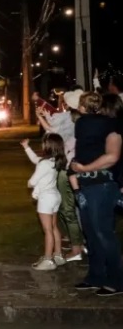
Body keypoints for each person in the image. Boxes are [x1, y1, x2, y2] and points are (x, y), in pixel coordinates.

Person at [69, 92, 123, 296]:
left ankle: (118, 280)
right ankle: (96, 276)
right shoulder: (85, 126)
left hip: (102, 185)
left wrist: (84, 169)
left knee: (103, 233)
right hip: (87, 185)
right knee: (91, 233)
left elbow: (112, 157)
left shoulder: (113, 127)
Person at [35, 89, 85, 261]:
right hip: (78, 166)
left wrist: (41, 116)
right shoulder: (80, 120)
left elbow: (51, 130)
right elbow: (52, 128)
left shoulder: (74, 121)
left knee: (68, 209)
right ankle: (78, 242)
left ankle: (77, 248)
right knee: (74, 208)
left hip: (69, 167)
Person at [21, 134, 66, 271]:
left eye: (44, 143)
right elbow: (36, 160)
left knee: (47, 230)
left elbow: (32, 182)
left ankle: (48, 260)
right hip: (55, 195)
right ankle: (58, 255)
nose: (42, 145)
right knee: (53, 227)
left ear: (48, 146)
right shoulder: (54, 161)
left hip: (46, 198)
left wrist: (30, 184)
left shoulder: (45, 163)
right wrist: (26, 147)